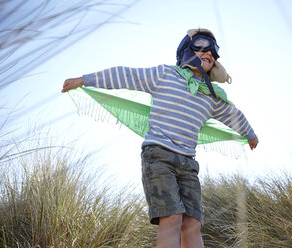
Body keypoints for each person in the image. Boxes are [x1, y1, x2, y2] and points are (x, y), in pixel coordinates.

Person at [62, 28, 258, 248]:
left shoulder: (211, 96)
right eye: (202, 44)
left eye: (214, 50)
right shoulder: (165, 75)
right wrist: (83, 79)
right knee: (172, 218)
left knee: (192, 223)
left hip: (188, 164)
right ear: (186, 50)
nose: (209, 51)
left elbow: (233, 115)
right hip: (159, 156)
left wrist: (250, 134)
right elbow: (127, 75)